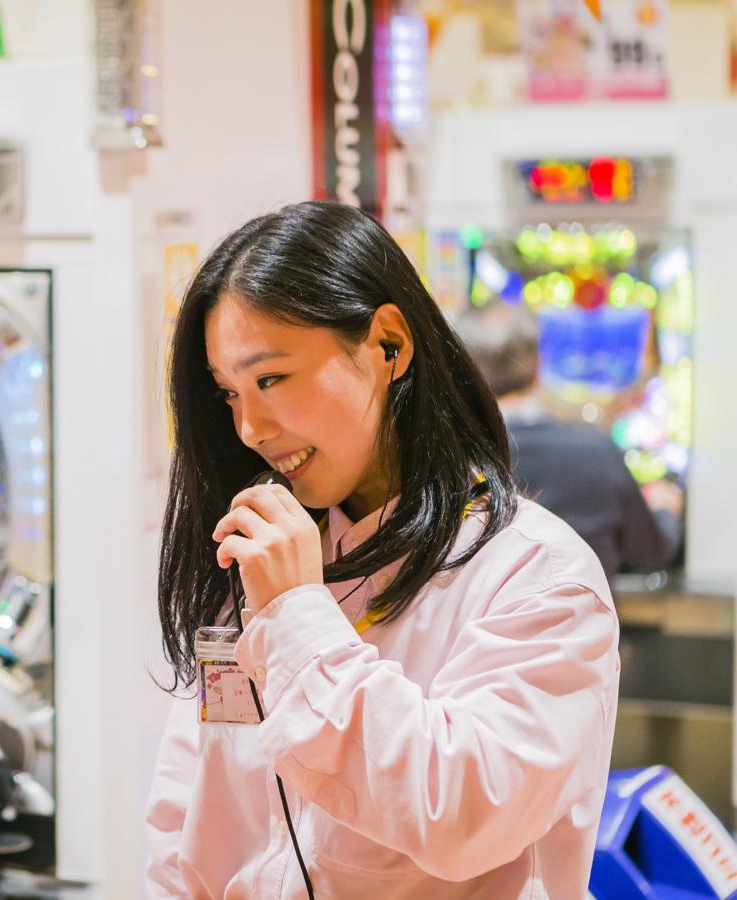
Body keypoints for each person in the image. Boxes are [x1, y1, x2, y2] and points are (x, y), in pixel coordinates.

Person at [145, 202, 619, 898]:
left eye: (270, 379)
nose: (250, 428)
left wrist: (297, 612)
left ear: (389, 345)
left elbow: (463, 816)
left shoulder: (535, 573)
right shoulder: (265, 552)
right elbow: (187, 816)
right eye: (228, 394)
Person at [455, 300, 681, 583]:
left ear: (462, 372)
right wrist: (666, 509)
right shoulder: (597, 452)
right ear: (538, 366)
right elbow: (650, 552)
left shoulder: (451, 460)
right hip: (583, 611)